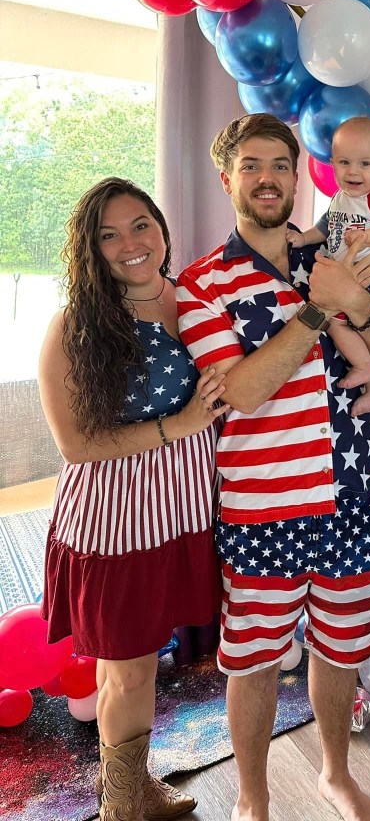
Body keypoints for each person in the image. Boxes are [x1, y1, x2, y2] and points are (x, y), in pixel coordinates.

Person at [176, 113, 370, 821]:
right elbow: (242, 390)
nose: (268, 177)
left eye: (280, 164)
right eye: (252, 165)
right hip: (261, 505)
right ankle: (253, 799)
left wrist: (357, 298)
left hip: (349, 498)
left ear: (297, 174)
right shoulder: (201, 284)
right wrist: (317, 309)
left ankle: (336, 775)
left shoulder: (336, 250)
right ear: (229, 179)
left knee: (340, 651)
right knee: (251, 663)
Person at [38, 178, 228, 821]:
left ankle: (129, 782)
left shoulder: (196, 300)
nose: (129, 243)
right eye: (109, 234)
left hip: (183, 511)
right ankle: (123, 805)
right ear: (90, 250)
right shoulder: (76, 325)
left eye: (140, 224)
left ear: (162, 229)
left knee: (141, 661)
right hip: (117, 522)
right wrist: (177, 427)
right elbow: (75, 445)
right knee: (129, 671)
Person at [287, 117, 370, 416]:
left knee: (334, 319)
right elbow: (325, 227)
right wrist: (304, 238)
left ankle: (366, 366)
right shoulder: (341, 198)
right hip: (353, 276)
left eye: (365, 164)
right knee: (339, 320)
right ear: (332, 163)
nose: (353, 171)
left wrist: (367, 237)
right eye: (344, 162)